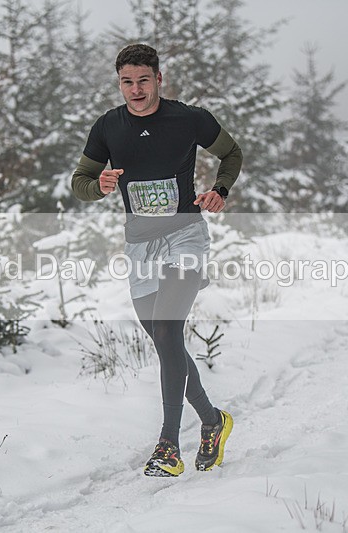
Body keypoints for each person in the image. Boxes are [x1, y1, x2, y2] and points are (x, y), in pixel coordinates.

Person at [71, 44, 242, 477]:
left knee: (168, 329)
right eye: (127, 82)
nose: (135, 90)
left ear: (159, 79)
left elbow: (232, 153)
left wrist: (219, 190)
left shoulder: (189, 119)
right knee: (166, 342)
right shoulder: (108, 127)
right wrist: (101, 185)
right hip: (140, 247)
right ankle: (212, 420)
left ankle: (168, 445)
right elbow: (81, 182)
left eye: (143, 80)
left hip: (185, 235)